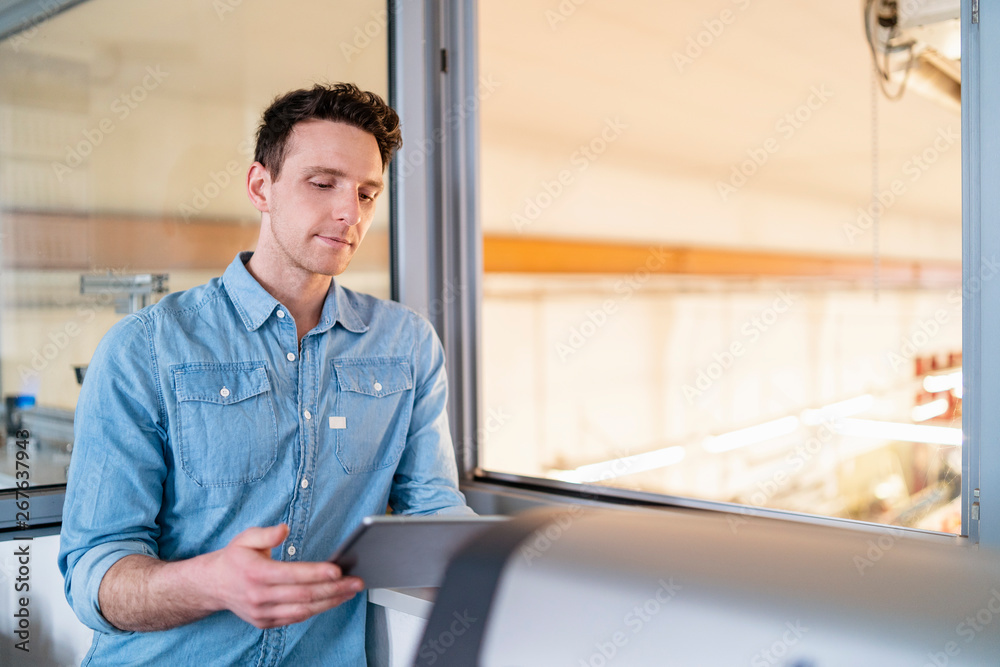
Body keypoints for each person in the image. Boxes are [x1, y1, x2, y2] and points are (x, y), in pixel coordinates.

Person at [59, 83, 472, 665]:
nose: (349, 212)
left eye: (367, 193)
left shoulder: (406, 345)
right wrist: (210, 582)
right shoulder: (143, 349)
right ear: (261, 187)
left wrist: (520, 564)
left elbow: (433, 515)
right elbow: (94, 576)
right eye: (323, 183)